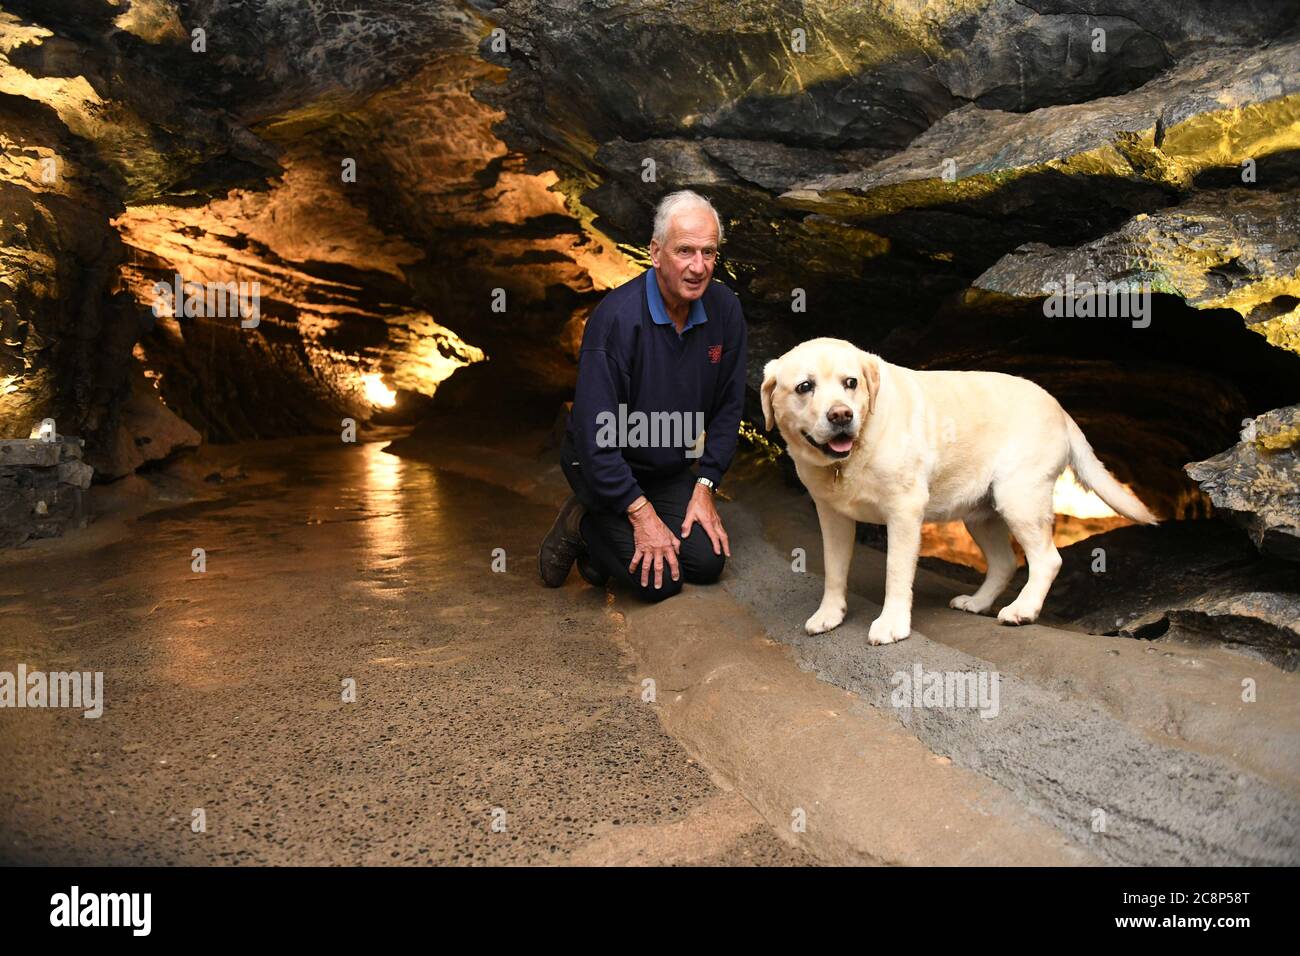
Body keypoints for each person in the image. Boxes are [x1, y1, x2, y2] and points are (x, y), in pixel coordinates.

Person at [537, 190, 748, 601]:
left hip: (664, 465)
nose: (698, 266)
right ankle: (581, 521)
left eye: (709, 252)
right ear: (655, 252)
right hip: (601, 463)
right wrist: (639, 513)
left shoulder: (725, 310)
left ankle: (604, 548)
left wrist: (705, 486)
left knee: (706, 564)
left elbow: (728, 407)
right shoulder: (616, 319)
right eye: (684, 251)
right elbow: (597, 440)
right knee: (660, 583)